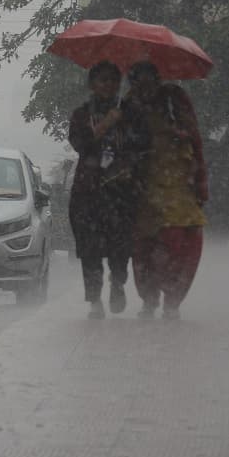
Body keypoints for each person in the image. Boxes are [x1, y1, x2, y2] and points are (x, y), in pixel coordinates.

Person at [126, 62, 208, 319]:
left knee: (180, 247)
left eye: (149, 81)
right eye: (139, 83)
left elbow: (194, 142)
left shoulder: (175, 100)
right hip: (145, 190)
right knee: (143, 250)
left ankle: (172, 300)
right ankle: (149, 299)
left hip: (178, 190)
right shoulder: (129, 106)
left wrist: (200, 184)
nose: (144, 88)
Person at [66, 61, 145, 319]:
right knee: (89, 249)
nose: (108, 85)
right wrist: (105, 124)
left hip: (121, 194)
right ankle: (94, 300)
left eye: (113, 80)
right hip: (88, 193)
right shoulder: (81, 115)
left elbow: (143, 144)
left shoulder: (130, 113)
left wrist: (129, 163)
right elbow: (81, 145)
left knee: (121, 246)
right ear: (92, 84)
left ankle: (118, 283)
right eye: (103, 80)